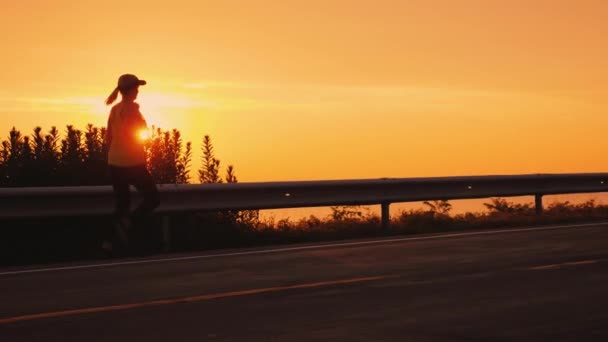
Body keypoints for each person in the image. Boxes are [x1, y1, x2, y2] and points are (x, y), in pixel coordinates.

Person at [102, 74, 160, 253]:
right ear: (128, 91)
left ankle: (111, 243)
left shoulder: (114, 110)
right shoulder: (133, 110)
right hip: (132, 162)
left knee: (122, 205)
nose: (138, 91)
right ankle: (132, 227)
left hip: (114, 162)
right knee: (152, 198)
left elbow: (108, 139)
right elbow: (137, 133)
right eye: (136, 88)